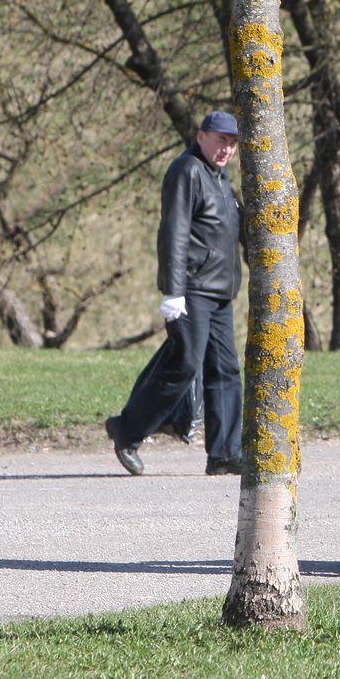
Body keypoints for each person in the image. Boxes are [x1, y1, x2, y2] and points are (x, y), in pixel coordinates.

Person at [105, 111, 245, 477]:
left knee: (225, 371)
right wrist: (173, 291)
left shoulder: (219, 176)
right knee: (184, 363)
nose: (226, 148)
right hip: (192, 288)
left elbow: (227, 224)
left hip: (219, 292)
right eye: (220, 140)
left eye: (231, 143)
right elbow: (174, 232)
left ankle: (224, 453)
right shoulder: (187, 170)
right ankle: (128, 429)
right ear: (201, 137)